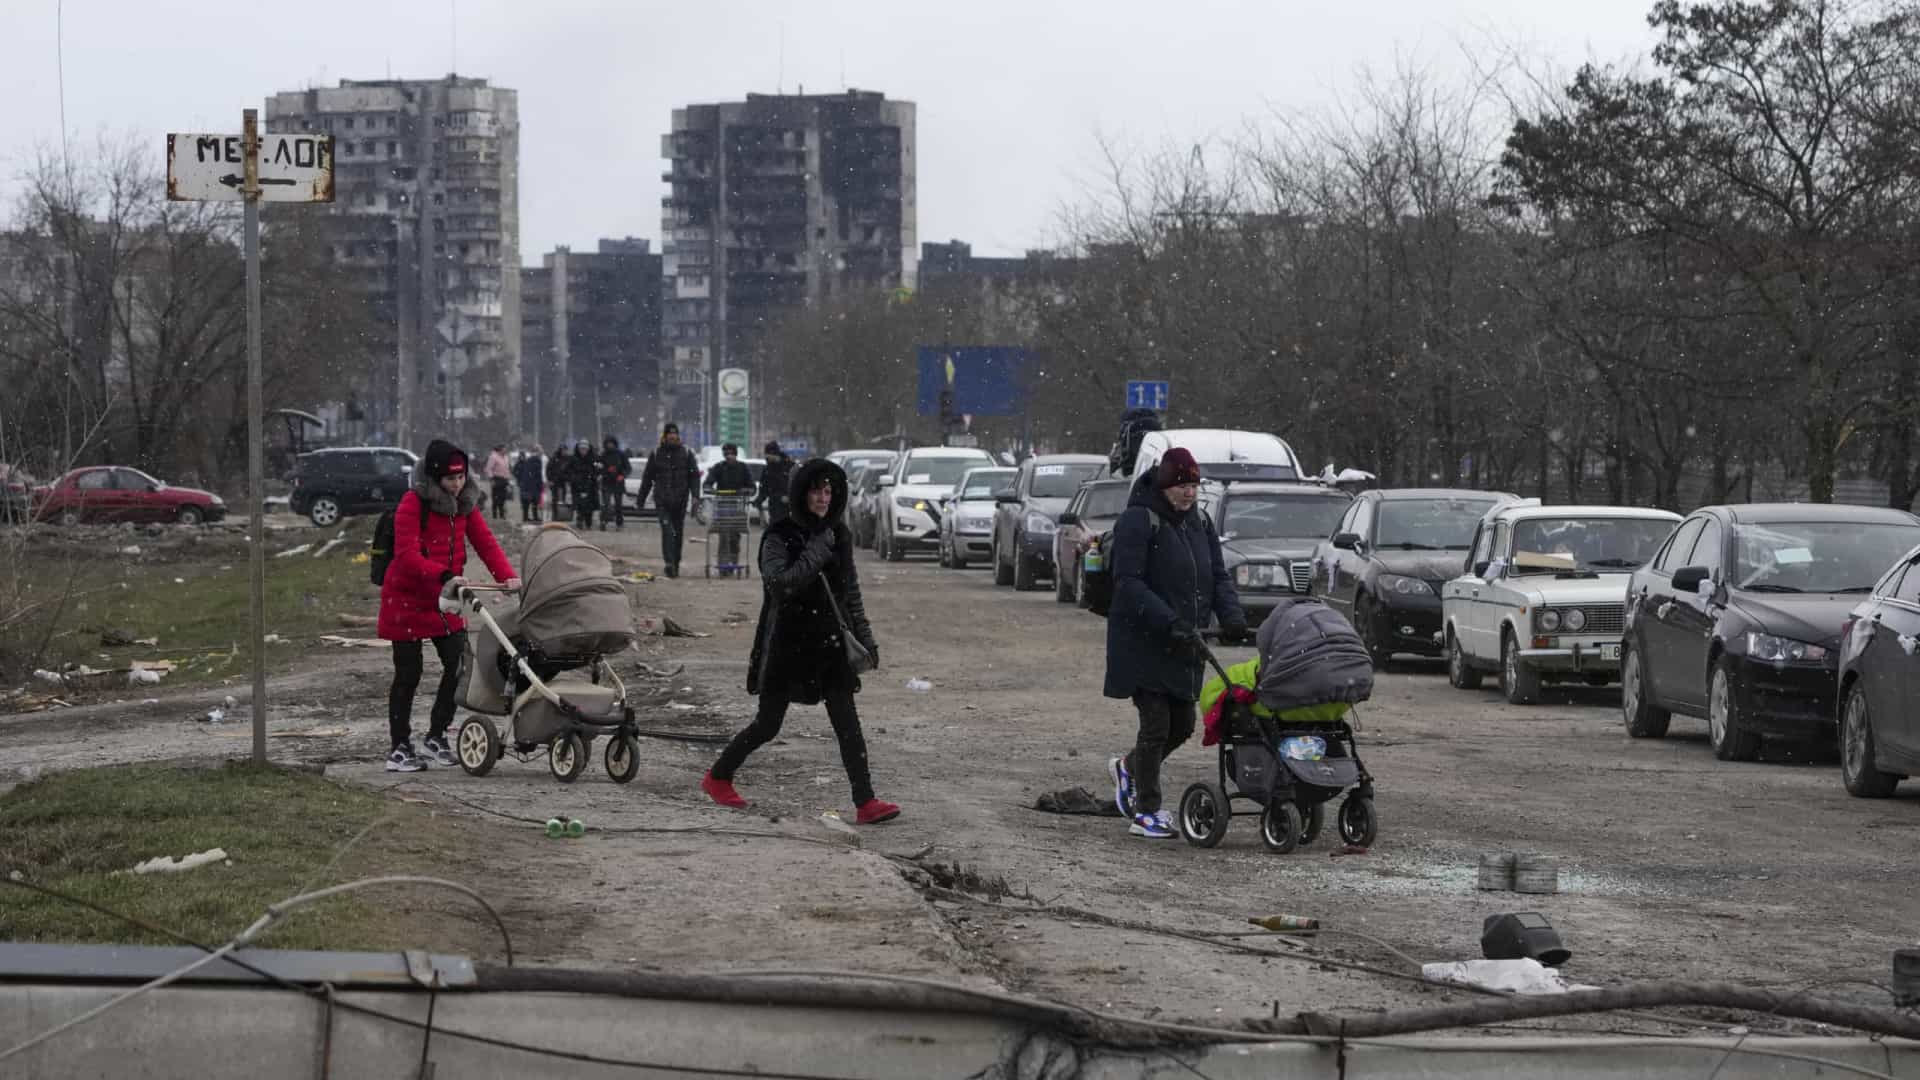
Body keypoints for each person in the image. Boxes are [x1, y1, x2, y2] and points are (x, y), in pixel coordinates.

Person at [701, 460, 899, 825]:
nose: (823, 499)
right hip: (787, 645)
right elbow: (780, 584)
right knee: (768, 725)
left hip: (830, 645)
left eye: (828, 491)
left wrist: (866, 640)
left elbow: (850, 594)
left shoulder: (839, 534)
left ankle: (865, 801)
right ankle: (718, 777)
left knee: (847, 724)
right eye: (816, 491)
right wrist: (816, 551)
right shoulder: (779, 535)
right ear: (801, 494)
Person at [1103, 447, 1247, 840]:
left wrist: (1231, 616)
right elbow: (1128, 583)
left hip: (1186, 642)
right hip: (1144, 641)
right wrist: (1169, 621)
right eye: (1182, 485)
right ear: (1165, 485)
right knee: (1156, 725)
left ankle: (1128, 768)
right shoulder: (1138, 520)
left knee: (1183, 724)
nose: (1189, 492)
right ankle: (1146, 811)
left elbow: (1217, 575)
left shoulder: (1199, 521)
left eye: (1194, 485)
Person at [377, 439, 519, 772]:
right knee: (408, 674)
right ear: (435, 476)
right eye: (450, 478)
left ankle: (437, 735)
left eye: (461, 476)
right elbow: (406, 555)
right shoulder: (414, 503)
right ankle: (399, 747)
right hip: (407, 598)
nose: (457, 484)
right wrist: (442, 574)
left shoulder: (466, 503)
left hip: (445, 597)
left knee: (459, 665)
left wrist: (507, 576)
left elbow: (485, 543)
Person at [635, 422, 700, 578]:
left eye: (674, 434)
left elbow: (694, 476)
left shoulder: (686, 453)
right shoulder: (657, 453)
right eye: (669, 434)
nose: (672, 436)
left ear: (678, 436)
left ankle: (675, 562)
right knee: (667, 530)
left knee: (677, 533)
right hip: (662, 500)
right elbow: (647, 478)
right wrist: (640, 499)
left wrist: (695, 496)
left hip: (680, 500)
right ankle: (669, 563)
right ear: (664, 436)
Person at [707, 443, 755, 568]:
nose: (729, 456)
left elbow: (752, 487)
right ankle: (723, 564)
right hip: (722, 507)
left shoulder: (743, 468)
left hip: (737, 506)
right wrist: (709, 489)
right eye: (726, 454)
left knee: (734, 536)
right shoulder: (719, 467)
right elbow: (708, 482)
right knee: (723, 535)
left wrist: (746, 490)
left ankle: (733, 561)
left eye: (731, 454)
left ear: (735, 454)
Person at [754, 441, 794, 525]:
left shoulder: (790, 466)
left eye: (768, 456)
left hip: (790, 509)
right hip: (774, 507)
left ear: (774, 454)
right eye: (766, 456)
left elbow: (798, 486)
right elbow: (764, 489)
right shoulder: (767, 470)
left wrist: (789, 497)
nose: (767, 458)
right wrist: (758, 500)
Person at [598, 435, 632, 532]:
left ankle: (619, 523)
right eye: (608, 444)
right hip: (607, 482)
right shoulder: (603, 455)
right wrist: (606, 471)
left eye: (611, 443)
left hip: (618, 482)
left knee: (618, 505)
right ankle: (604, 521)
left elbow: (628, 468)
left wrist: (622, 475)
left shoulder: (621, 454)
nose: (610, 445)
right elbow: (599, 467)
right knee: (606, 503)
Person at [567, 440, 600, 530]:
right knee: (580, 505)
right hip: (577, 486)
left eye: (585, 449)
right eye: (581, 449)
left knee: (589, 506)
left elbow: (598, 470)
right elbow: (567, 471)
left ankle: (588, 522)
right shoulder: (573, 459)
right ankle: (580, 520)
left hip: (590, 486)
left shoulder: (593, 459)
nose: (583, 451)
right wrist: (573, 478)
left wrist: (595, 476)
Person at [514, 446, 546, 524]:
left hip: (526, 484)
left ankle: (525, 517)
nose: (542, 453)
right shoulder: (537, 460)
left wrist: (521, 481)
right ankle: (535, 517)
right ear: (537, 451)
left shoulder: (528, 460)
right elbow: (538, 475)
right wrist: (540, 485)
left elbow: (521, 472)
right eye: (541, 451)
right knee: (534, 501)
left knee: (527, 501)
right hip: (532, 484)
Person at [483, 444, 513, 520]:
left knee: (503, 498)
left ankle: (502, 515)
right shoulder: (493, 457)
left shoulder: (506, 457)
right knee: (496, 498)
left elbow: (507, 469)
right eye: (504, 449)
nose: (506, 450)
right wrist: (491, 479)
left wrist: (508, 478)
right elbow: (488, 469)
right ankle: (495, 515)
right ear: (500, 449)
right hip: (496, 479)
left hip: (504, 480)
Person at [546, 444, 570, 516]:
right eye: (563, 450)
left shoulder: (567, 459)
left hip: (564, 480)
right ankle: (555, 513)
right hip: (555, 480)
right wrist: (550, 480)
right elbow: (548, 469)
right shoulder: (554, 458)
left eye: (565, 450)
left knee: (564, 497)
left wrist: (569, 478)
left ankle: (563, 513)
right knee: (555, 497)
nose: (564, 452)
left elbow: (570, 469)